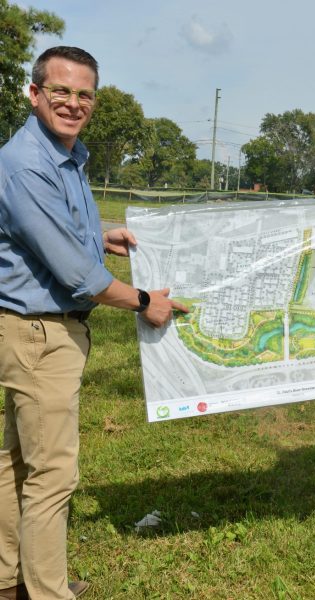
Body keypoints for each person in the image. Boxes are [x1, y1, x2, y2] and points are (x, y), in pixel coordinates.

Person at [0, 46, 187, 600]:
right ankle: (47, 592)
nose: (72, 103)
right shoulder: (26, 163)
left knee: (17, 463)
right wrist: (145, 299)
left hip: (33, 330)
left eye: (83, 94)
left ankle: (12, 579)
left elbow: (52, 233)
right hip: (39, 334)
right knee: (52, 475)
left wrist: (97, 235)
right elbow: (77, 276)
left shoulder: (63, 152)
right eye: (60, 91)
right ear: (34, 93)